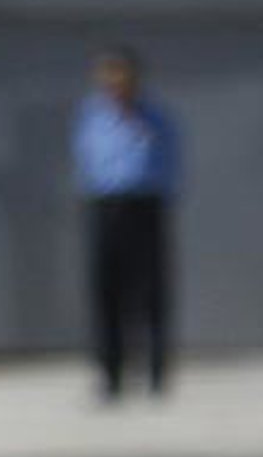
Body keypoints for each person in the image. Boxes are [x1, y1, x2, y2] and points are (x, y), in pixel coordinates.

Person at [72, 45, 181, 400]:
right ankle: (111, 373)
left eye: (121, 74)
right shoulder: (92, 116)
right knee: (107, 291)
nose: (114, 82)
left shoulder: (155, 117)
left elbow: (172, 160)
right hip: (106, 205)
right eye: (108, 75)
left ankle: (156, 370)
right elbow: (86, 160)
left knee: (151, 290)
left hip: (145, 204)